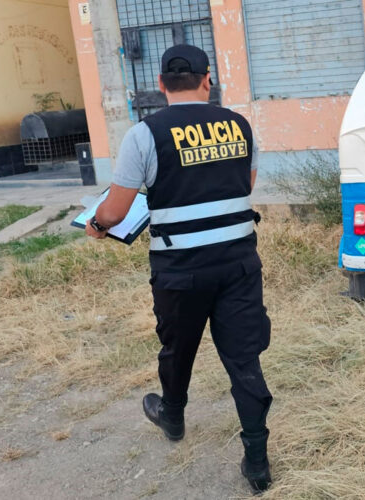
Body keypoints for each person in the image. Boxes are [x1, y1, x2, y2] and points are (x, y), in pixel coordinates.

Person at [85, 44, 272, 494]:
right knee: (244, 359)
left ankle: (172, 416)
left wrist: (95, 224)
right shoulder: (240, 124)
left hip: (180, 270)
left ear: (162, 85)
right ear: (208, 81)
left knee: (177, 348)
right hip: (238, 263)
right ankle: (258, 464)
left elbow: (115, 210)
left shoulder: (144, 134)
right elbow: (245, 184)